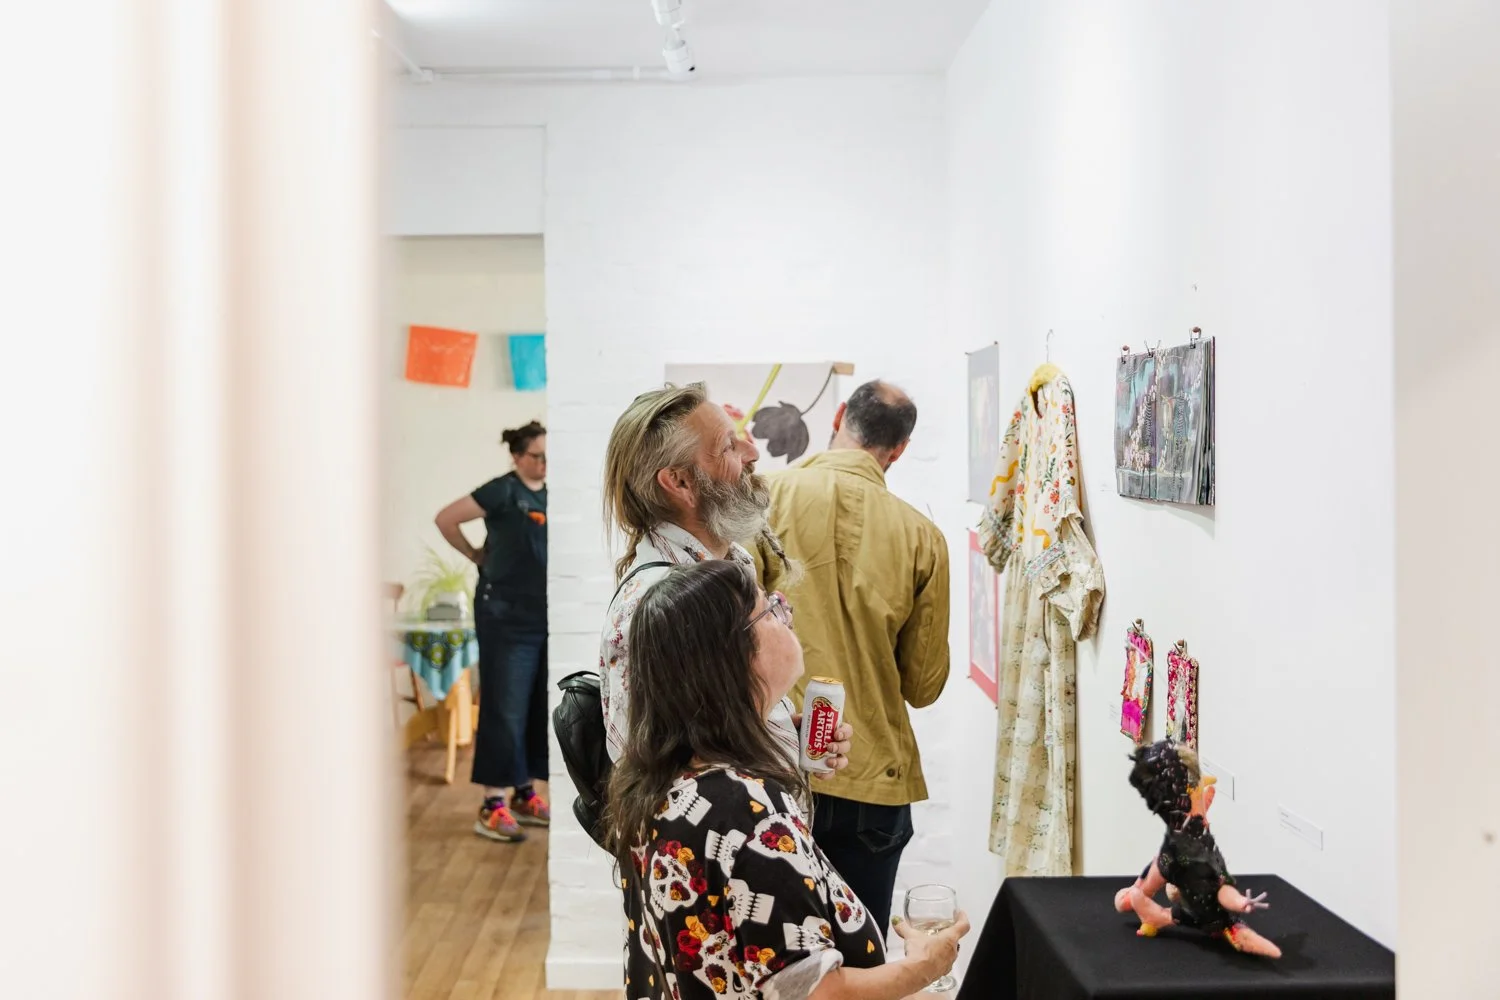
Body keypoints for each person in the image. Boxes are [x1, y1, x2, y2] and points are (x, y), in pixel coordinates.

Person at [606, 559, 969, 1000]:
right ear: (736, 657)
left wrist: (781, 736)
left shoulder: (664, 780)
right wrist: (924, 966)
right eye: (769, 610)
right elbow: (816, 993)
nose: (785, 613)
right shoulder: (747, 811)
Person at [751, 380, 950, 932]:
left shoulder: (763, 499)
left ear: (839, 415)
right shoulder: (923, 536)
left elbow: (724, 633)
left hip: (776, 761)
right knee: (861, 960)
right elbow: (924, 686)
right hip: (873, 778)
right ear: (900, 448)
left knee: (772, 954)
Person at [598, 382, 851, 774]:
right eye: (729, 447)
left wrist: (781, 732)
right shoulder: (664, 603)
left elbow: (710, 733)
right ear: (679, 482)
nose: (752, 453)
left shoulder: (729, 565)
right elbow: (663, 775)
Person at [434, 420, 551, 842]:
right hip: (504, 618)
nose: (543, 464)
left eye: (546, 456)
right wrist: (475, 556)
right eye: (535, 456)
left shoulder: (550, 494)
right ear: (517, 457)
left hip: (543, 617)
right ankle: (492, 804)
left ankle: (524, 793)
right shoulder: (501, 490)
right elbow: (446, 519)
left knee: (536, 706)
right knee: (505, 707)